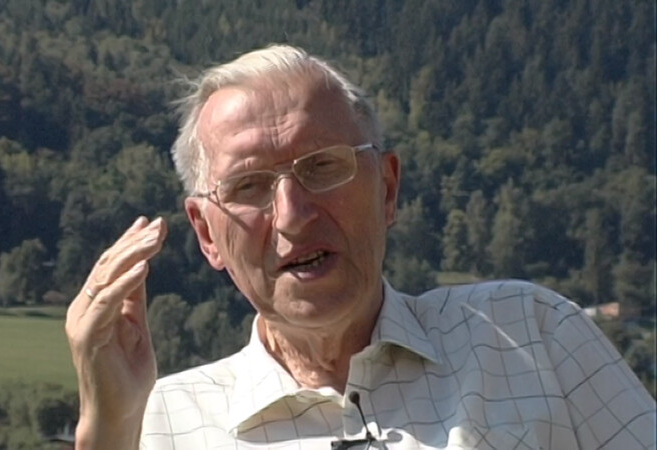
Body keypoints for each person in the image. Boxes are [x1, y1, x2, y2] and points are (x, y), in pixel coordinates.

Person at [65, 45, 655, 449]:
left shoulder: (529, 333)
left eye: (323, 167)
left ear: (388, 187)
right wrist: (109, 428)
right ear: (206, 233)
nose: (293, 215)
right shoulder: (161, 423)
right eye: (248, 187)